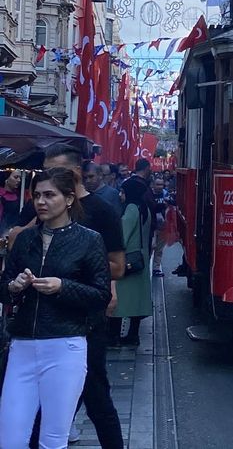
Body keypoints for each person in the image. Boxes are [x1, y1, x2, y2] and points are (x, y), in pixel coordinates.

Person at [21, 144, 126, 449]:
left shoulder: (101, 211)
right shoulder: (41, 206)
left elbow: (117, 267)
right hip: (41, 320)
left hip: (83, 322)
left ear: (76, 173)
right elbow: (22, 245)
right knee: (38, 400)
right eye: (45, 171)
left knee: (96, 396)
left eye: (55, 171)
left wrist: (70, 269)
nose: (47, 179)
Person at [0, 167, 111, 449]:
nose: (41, 202)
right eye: (36, 195)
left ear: (69, 199)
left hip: (65, 345)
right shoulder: (24, 239)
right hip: (22, 345)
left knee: (53, 438)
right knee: (10, 438)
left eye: (50, 195)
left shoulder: (89, 240)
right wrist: (14, 286)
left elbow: (101, 294)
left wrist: (63, 286)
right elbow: (3, 288)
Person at [112, 177, 153, 346]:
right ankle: (133, 335)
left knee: (120, 299)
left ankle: (114, 336)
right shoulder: (145, 208)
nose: (121, 195)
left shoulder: (130, 208)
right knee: (136, 301)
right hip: (140, 259)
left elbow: (123, 234)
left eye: (123, 191)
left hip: (127, 259)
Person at [151, 175, 170, 277]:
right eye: (157, 184)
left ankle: (156, 268)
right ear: (153, 184)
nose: (160, 186)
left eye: (161, 184)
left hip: (163, 226)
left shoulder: (166, 194)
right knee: (151, 248)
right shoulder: (149, 195)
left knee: (159, 250)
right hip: (151, 227)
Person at [0, 169, 23, 236]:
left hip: (14, 231)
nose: (19, 180)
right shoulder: (1, 195)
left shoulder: (20, 195)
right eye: (16, 177)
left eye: (20, 178)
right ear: (6, 179)